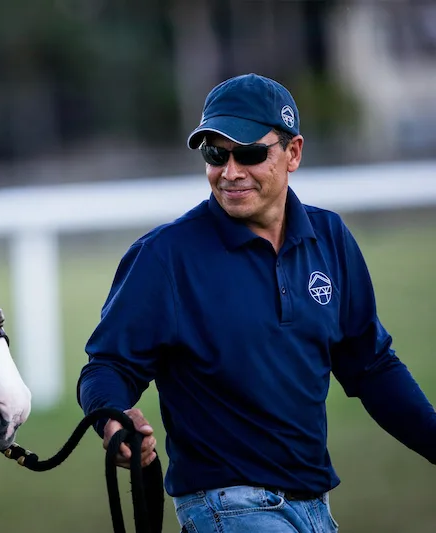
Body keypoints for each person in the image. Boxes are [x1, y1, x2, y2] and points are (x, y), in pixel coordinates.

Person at [77, 73, 436, 532]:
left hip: (315, 507)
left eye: (248, 153)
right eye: (215, 154)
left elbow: (371, 367)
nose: (230, 172)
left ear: (294, 153)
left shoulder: (330, 239)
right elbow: (105, 367)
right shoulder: (164, 256)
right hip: (226, 506)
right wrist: (112, 422)